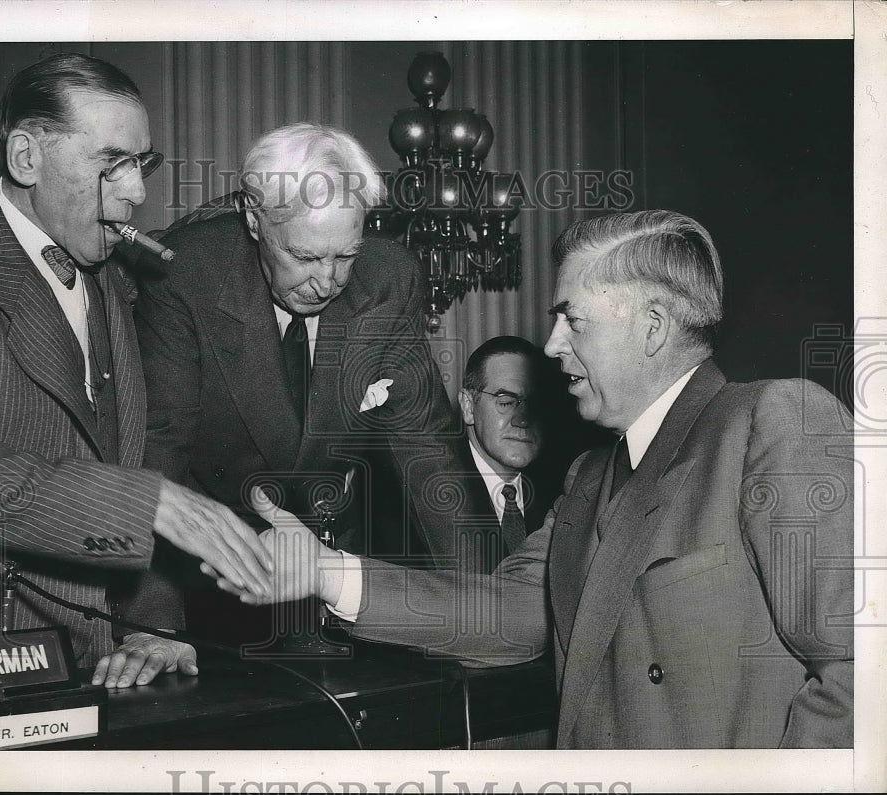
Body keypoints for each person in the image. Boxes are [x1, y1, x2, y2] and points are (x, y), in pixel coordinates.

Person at [217, 209, 854, 749]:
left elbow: (859, 674)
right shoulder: (589, 476)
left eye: (573, 320)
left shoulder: (773, 423)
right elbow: (512, 617)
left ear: (652, 328)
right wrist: (327, 571)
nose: (551, 345)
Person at [0, 53, 272, 690]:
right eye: (110, 163)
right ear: (27, 157)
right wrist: (152, 503)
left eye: (141, 165)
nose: (137, 192)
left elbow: (126, 451)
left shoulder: (113, 276)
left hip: (92, 658)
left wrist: (152, 627)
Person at [133, 122, 465, 644]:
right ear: (254, 218)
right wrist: (151, 625)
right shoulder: (185, 274)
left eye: (346, 256)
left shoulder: (389, 277)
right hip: (212, 569)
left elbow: (430, 450)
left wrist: (489, 605)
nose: (328, 281)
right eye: (305, 257)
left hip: (333, 557)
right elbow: (158, 450)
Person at [454, 336, 555, 572]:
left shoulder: (565, 491)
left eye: (536, 404)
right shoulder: (420, 496)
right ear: (469, 406)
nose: (523, 419)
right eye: (507, 402)